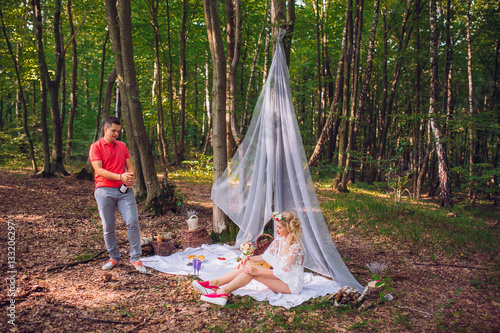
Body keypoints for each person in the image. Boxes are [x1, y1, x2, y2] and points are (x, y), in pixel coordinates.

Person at [192, 211, 305, 306]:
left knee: (251, 272)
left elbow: (282, 273)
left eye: (279, 227)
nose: (276, 230)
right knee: (248, 265)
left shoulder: (295, 247)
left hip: (290, 284)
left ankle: (223, 292)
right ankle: (215, 283)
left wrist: (257, 271)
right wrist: (248, 259)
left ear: (289, 228)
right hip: (279, 276)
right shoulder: (281, 238)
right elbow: (266, 257)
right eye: (276, 227)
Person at [89, 116, 147, 273]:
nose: (116, 134)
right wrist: (120, 176)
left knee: (132, 221)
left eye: (118, 131)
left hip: (123, 190)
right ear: (105, 129)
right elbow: (98, 170)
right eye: (113, 131)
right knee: (108, 225)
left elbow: (130, 166)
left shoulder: (122, 145)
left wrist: (130, 177)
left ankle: (136, 258)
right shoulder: (96, 147)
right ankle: (114, 257)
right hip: (103, 189)